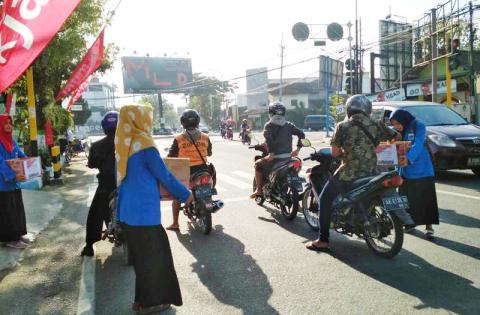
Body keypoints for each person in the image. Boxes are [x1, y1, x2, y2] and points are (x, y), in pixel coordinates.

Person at [116, 105, 193, 314]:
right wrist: (186, 194)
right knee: (154, 259)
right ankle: (149, 304)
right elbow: (165, 175)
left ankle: (140, 300)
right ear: (139, 120)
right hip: (143, 213)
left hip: (126, 211)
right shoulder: (144, 143)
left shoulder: (124, 142)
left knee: (142, 259)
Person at [306, 95, 399, 252]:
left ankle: (323, 240)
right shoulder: (377, 124)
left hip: (349, 173)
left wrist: (346, 152)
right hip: (373, 171)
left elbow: (335, 153)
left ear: (349, 108)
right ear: (367, 109)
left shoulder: (343, 126)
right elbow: (397, 137)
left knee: (325, 198)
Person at [390, 109, 439, 237]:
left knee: (426, 199)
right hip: (405, 170)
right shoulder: (397, 132)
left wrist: (409, 158)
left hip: (422, 169)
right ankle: (410, 223)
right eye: (393, 124)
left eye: (397, 123)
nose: (396, 126)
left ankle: (429, 226)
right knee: (406, 199)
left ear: (404, 119)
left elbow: (418, 144)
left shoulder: (419, 125)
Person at [166, 109, 212, 231]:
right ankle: (209, 199)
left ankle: (175, 223)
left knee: (176, 196)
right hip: (203, 171)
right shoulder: (206, 137)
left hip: (184, 172)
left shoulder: (178, 139)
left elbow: (171, 156)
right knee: (209, 180)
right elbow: (210, 153)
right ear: (197, 121)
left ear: (183, 122)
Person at [80, 111, 118, 257]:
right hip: (125, 184)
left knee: (95, 214)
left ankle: (89, 246)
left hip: (106, 185)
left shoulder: (96, 146)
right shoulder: (129, 143)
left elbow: (91, 165)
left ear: (104, 126)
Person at [251, 101, 305, 198]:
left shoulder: (269, 125)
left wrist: (271, 153)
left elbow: (269, 140)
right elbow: (302, 134)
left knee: (257, 164)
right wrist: (298, 149)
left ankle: (259, 190)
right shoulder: (289, 125)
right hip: (288, 158)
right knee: (297, 165)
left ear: (270, 113)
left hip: (275, 158)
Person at [0, 114, 29, 249]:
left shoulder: (12, 140)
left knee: (17, 209)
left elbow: (20, 155)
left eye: (10, 123)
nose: (8, 125)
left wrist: (30, 164)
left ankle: (18, 235)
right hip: (3, 183)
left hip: (15, 183)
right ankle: (10, 239)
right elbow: (0, 162)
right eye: (5, 123)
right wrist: (12, 175)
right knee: (8, 211)